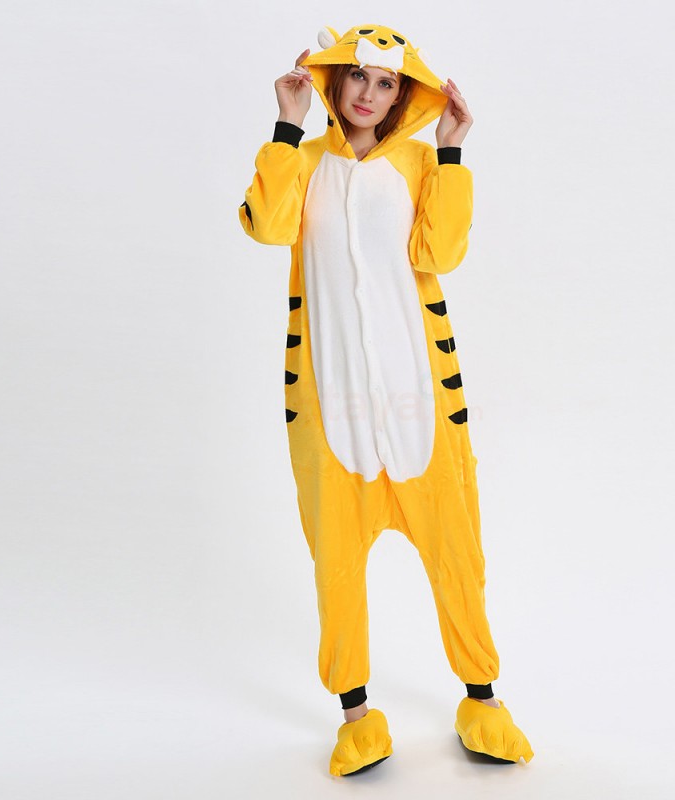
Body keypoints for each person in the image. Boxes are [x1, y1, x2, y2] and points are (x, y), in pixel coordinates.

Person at [238, 24, 534, 776]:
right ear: (335, 81)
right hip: (333, 409)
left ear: (405, 94)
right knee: (336, 566)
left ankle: (482, 699)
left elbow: (441, 252)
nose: (369, 94)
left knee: (457, 553)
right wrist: (286, 123)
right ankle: (357, 716)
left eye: (387, 82)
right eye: (358, 78)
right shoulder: (305, 160)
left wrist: (453, 150)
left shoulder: (418, 163)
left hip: (418, 405)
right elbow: (269, 227)